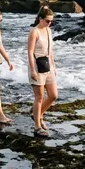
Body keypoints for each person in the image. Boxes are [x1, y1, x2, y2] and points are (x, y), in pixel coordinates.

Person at [27, 7, 58, 137]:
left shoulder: (48, 30)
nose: (49, 23)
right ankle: (37, 127)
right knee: (39, 97)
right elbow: (30, 52)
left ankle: (37, 115)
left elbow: (50, 50)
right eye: (47, 21)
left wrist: (54, 66)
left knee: (53, 95)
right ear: (40, 19)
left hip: (48, 66)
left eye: (51, 21)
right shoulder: (34, 32)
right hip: (37, 66)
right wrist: (33, 70)